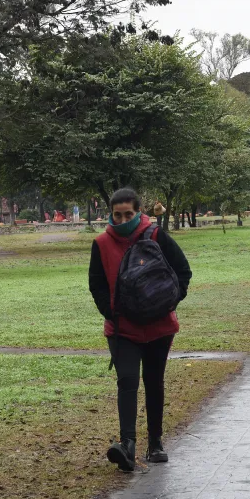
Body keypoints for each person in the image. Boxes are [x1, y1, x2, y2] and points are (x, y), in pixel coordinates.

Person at [88, 188, 192, 472]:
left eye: (128, 214)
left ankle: (155, 443)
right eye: (117, 215)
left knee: (154, 381)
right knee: (127, 380)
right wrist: (111, 311)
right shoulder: (101, 243)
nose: (122, 220)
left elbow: (183, 271)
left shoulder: (156, 236)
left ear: (139, 212)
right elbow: (96, 284)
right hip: (123, 328)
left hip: (160, 325)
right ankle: (128, 445)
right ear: (110, 214)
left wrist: (169, 300)